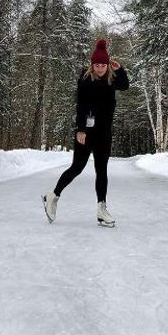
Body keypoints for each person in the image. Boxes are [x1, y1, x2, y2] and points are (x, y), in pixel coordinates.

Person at [42, 38, 129, 228]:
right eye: (96, 65)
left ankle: (101, 209)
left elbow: (125, 86)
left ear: (107, 65)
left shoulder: (112, 78)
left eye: (103, 65)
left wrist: (120, 68)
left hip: (105, 132)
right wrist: (80, 129)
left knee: (102, 171)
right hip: (87, 132)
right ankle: (52, 196)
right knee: (77, 168)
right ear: (92, 65)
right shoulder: (85, 79)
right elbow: (80, 105)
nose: (99, 68)